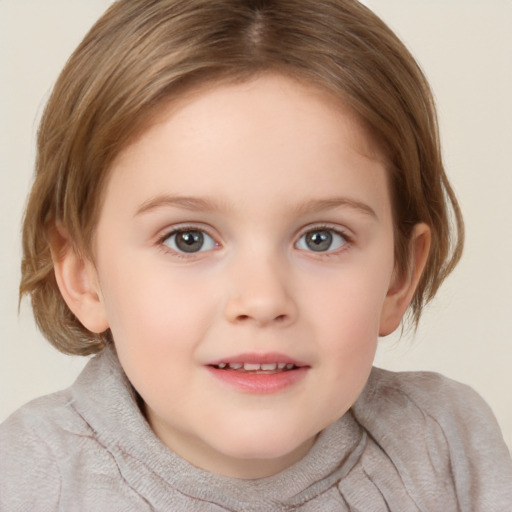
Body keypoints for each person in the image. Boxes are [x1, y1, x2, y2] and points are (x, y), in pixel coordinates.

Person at [1, 0, 511, 510]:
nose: (263, 300)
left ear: (399, 275)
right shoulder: (27, 481)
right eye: (188, 239)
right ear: (83, 274)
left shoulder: (445, 446)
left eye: (321, 238)